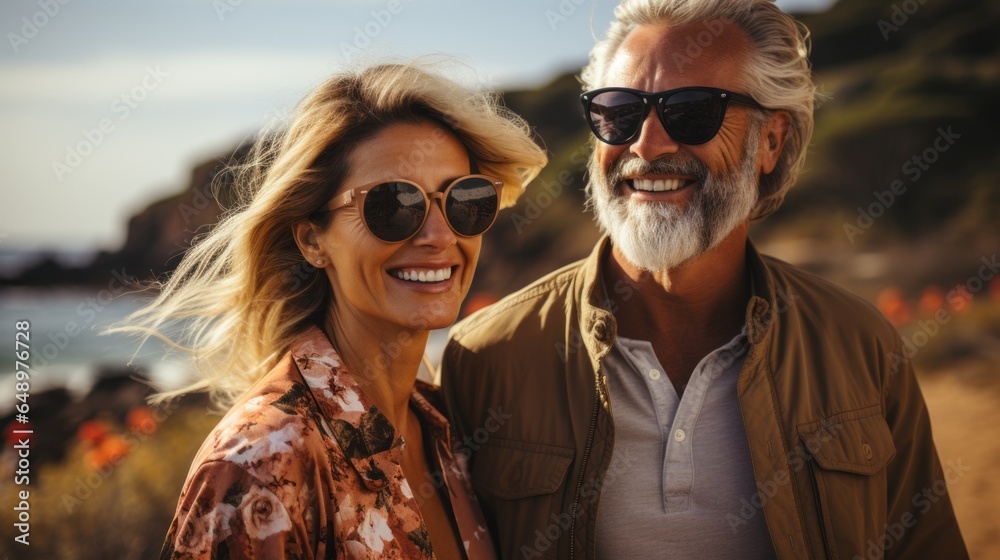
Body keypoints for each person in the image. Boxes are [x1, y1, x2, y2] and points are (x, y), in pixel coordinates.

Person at [439, 1, 969, 559]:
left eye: (692, 111)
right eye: (618, 112)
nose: (647, 145)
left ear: (771, 141)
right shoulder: (484, 356)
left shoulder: (861, 345)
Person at [119, 61, 547, 559]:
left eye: (462, 201)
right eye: (393, 205)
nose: (439, 236)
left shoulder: (446, 430)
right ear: (313, 240)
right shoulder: (260, 466)